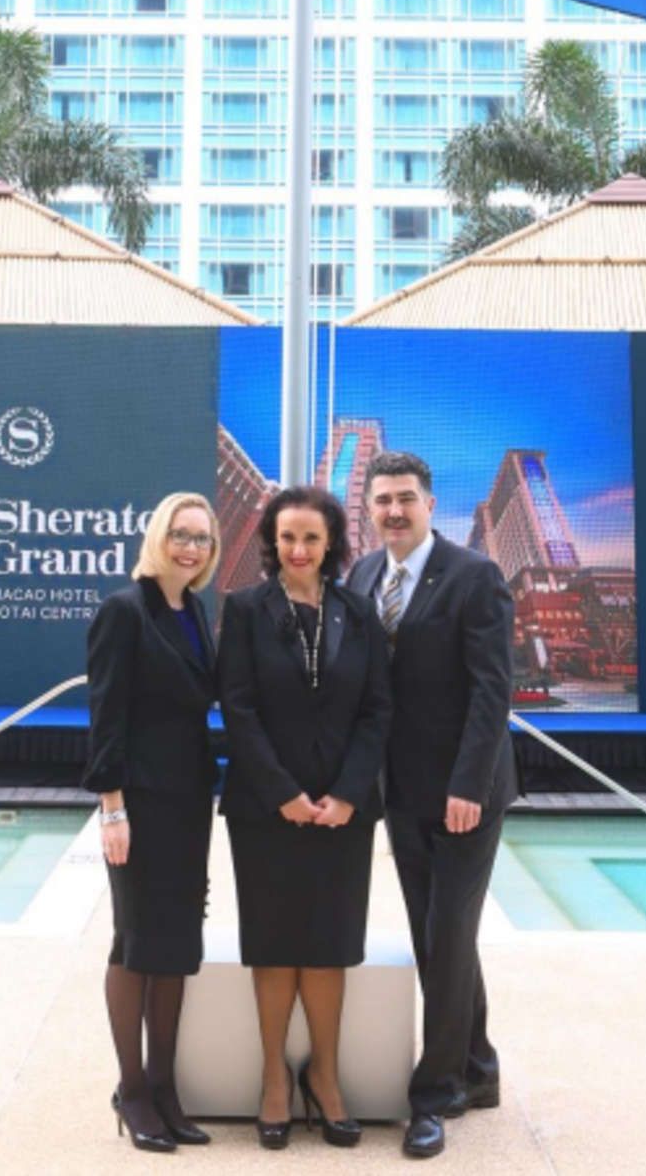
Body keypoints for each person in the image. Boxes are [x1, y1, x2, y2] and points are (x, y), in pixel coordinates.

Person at [347, 451, 516, 1161]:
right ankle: (478, 1066)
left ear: (429, 502)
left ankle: (436, 1091)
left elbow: (491, 691)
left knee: (447, 934)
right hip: (402, 790)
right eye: (382, 499)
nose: (393, 510)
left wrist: (468, 786)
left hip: (462, 793)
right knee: (434, 934)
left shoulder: (475, 577)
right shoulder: (360, 575)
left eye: (405, 498)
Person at [218, 485, 392, 1152]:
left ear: (332, 544)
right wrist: (282, 790)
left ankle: (324, 1074)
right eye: (286, 537)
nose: (297, 549)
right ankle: (272, 1078)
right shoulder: (244, 610)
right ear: (271, 541)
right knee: (273, 942)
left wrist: (348, 792)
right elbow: (238, 707)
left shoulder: (359, 610)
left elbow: (378, 708)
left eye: (311, 538)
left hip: (343, 812)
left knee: (329, 942)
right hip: (267, 810)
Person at [83, 490, 220, 1154]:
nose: (191, 546)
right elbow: (106, 716)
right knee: (134, 940)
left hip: (191, 801)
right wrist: (112, 808)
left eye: (202, 537)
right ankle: (132, 1088)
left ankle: (165, 1085)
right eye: (181, 533)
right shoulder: (124, 609)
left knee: (176, 941)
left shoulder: (195, 610)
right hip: (136, 803)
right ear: (157, 535)